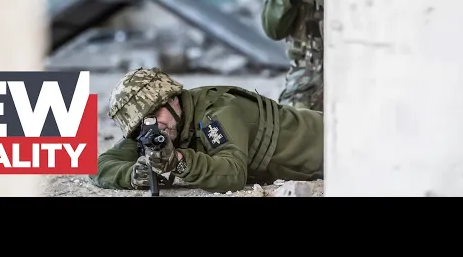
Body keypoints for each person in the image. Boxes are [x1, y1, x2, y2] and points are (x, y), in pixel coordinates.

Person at [90, 67, 323, 193]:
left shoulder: (217, 111)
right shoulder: (156, 128)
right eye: (141, 125)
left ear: (173, 100)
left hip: (329, 142)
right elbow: (98, 165)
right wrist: (132, 174)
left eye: (153, 115)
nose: (152, 127)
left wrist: (178, 161)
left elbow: (233, 174)